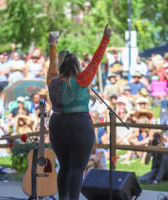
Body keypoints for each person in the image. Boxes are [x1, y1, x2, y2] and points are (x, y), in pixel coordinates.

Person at [47, 24, 111, 200]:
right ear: (76, 66)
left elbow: (52, 63)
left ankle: (63, 198)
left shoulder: (52, 80)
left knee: (65, 167)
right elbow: (96, 61)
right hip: (79, 126)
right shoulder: (82, 79)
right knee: (76, 168)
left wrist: (52, 44)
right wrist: (105, 39)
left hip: (57, 125)